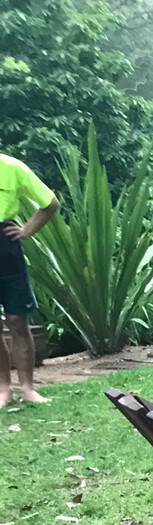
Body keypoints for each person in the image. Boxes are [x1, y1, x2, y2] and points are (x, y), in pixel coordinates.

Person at [0, 152, 60, 406]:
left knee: (17, 320)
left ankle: (28, 388)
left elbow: (50, 203)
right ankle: (4, 389)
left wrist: (27, 230)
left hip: (6, 245)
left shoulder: (12, 167)